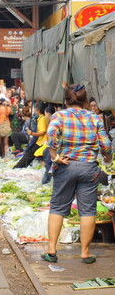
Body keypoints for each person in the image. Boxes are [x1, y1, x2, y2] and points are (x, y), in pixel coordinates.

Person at [42, 84, 112, 264]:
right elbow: (106, 144)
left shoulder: (60, 116)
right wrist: (107, 159)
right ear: (85, 101)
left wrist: (54, 156)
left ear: (66, 101)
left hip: (66, 165)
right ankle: (85, 253)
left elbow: (51, 133)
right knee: (88, 210)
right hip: (88, 167)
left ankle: (51, 250)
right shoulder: (94, 118)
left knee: (57, 207)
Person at [13, 101, 48, 169]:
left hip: (41, 142)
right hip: (38, 141)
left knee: (30, 154)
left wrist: (32, 133)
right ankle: (19, 166)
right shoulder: (40, 118)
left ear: (38, 110)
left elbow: (42, 132)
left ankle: (18, 167)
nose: (34, 110)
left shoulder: (43, 119)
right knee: (29, 153)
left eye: (34, 109)